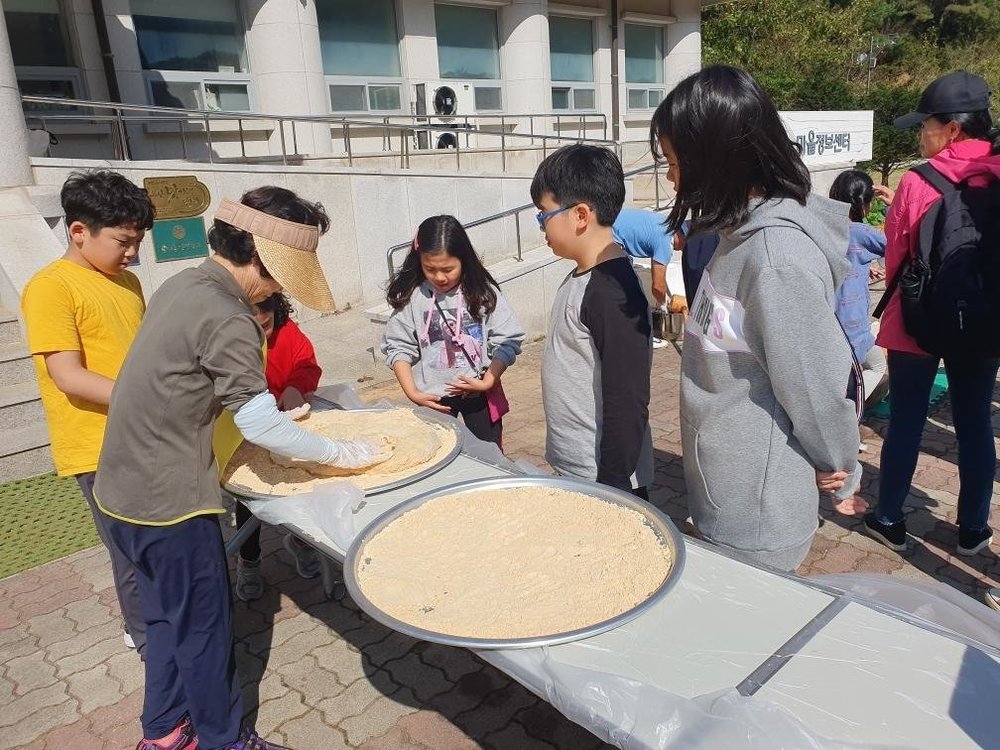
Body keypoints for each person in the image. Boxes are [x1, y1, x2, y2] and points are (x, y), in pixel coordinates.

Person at [93, 187, 384, 750]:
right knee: (204, 628)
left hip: (120, 491)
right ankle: (224, 739)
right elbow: (262, 424)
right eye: (279, 278)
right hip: (170, 504)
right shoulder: (227, 313)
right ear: (261, 258)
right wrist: (344, 453)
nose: (275, 292)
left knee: (164, 620)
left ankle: (164, 732)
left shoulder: (182, 283)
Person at [650, 65, 864, 571]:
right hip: (730, 477)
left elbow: (815, 382)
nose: (669, 175)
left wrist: (838, 464)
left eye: (675, 161)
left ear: (714, 161)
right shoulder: (735, 234)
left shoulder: (774, 259)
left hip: (757, 505)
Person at [865, 70, 1000, 555]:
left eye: (927, 125)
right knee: (974, 422)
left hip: (916, 319)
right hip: (984, 318)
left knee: (906, 420)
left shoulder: (917, 183)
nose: (921, 134)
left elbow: (897, 258)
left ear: (954, 129)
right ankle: (972, 529)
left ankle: (889, 518)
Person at [21, 170, 154, 655]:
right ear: (79, 231)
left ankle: (163, 626)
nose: (133, 253)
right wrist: (150, 399)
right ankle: (146, 640)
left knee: (156, 546)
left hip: (144, 437)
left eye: (137, 241)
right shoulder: (50, 287)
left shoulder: (128, 283)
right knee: (130, 554)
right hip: (98, 447)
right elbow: (69, 376)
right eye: (123, 241)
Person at [531, 144, 654, 497]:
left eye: (544, 215)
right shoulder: (582, 278)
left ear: (580, 215)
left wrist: (613, 486)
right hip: (579, 468)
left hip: (604, 478)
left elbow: (627, 398)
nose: (542, 227)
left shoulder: (611, 292)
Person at [383, 215, 525, 447]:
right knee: (440, 460)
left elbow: (508, 340)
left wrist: (488, 380)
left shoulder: (482, 293)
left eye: (448, 269)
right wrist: (412, 392)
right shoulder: (413, 297)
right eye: (430, 268)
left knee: (489, 459)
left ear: (464, 259)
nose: (439, 277)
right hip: (432, 399)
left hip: (478, 394)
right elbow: (398, 346)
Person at [233, 292, 323, 602]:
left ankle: (302, 543)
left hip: (287, 428)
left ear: (276, 313)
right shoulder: (229, 344)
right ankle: (249, 560)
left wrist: (295, 388)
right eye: (252, 329)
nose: (261, 335)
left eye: (266, 326)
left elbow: (307, 365)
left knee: (303, 484)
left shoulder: (289, 334)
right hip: (243, 437)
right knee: (249, 499)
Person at [828, 169, 889, 411]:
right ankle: (848, 415)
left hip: (828, 320)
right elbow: (899, 245)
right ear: (864, 205)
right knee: (876, 367)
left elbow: (846, 259)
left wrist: (865, 268)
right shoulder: (861, 232)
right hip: (852, 324)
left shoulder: (826, 227)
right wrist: (893, 207)